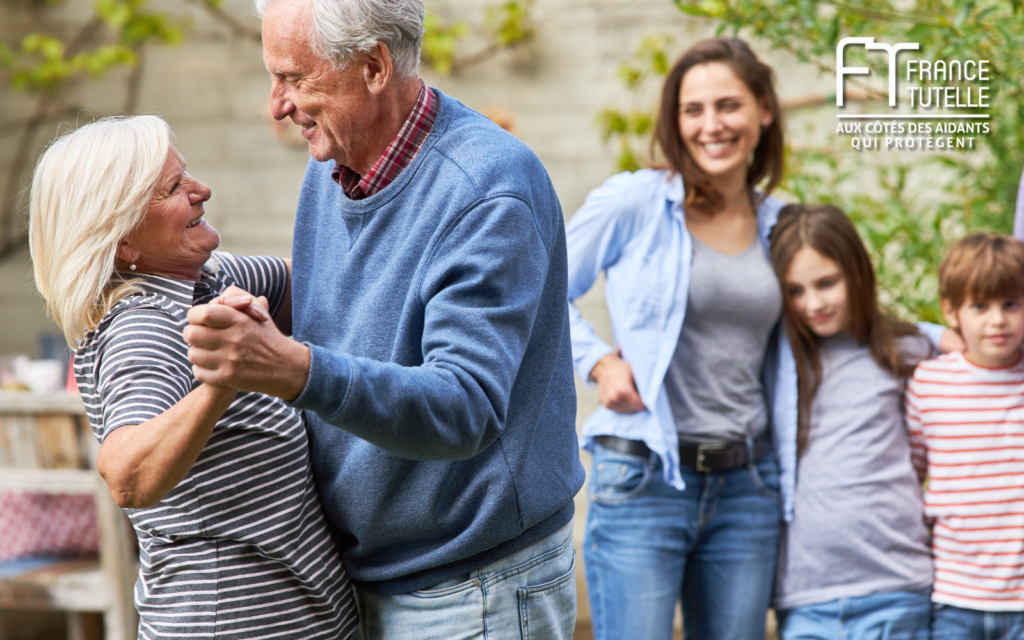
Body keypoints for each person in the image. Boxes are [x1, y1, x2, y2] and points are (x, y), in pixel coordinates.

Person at [181, 0, 585, 638]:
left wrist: (293, 369)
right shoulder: (337, 164)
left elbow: (465, 405)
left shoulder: (486, 189)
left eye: (294, 77)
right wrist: (164, 271)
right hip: (370, 580)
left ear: (373, 66)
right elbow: (336, 292)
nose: (278, 105)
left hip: (473, 587)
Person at [28, 115, 356, 639]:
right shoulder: (143, 324)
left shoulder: (207, 279)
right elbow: (127, 475)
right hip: (223, 623)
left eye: (187, 176)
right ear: (121, 244)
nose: (202, 191)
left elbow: (328, 281)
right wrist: (224, 379)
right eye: (174, 189)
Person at [566, 38, 792, 640]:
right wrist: (599, 362)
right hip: (643, 479)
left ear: (763, 110)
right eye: (694, 110)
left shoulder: (783, 223)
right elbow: (533, 289)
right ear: (676, 120)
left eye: (728, 105)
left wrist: (944, 338)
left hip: (749, 487)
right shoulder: (637, 200)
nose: (711, 125)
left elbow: (843, 320)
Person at [768, 204, 933, 640]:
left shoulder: (906, 350)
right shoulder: (779, 364)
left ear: (857, 272)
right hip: (806, 595)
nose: (814, 304)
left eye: (827, 283)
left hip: (897, 584)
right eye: (796, 291)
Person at [907, 233, 1024, 639]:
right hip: (956, 597)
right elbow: (911, 474)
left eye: (1011, 304)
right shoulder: (930, 383)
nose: (998, 320)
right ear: (952, 311)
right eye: (980, 306)